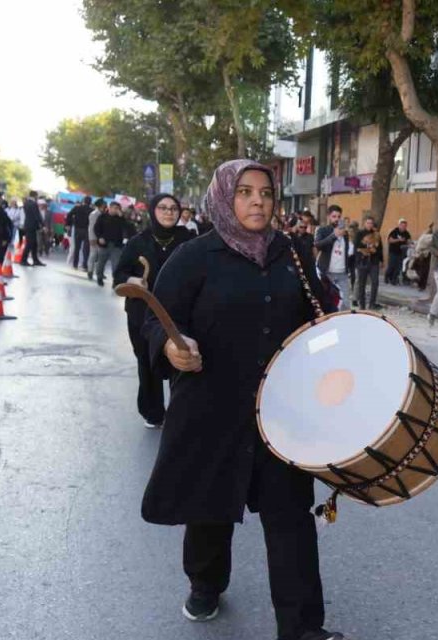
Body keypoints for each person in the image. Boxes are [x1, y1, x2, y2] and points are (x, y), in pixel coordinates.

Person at [141, 159, 343, 640]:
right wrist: (172, 346)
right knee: (210, 511)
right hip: (212, 410)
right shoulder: (194, 256)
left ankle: (302, 629)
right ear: (224, 199)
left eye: (266, 193)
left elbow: (319, 319)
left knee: (291, 519)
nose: (258, 201)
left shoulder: (292, 253)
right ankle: (205, 583)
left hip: (282, 413)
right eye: (245, 192)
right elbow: (157, 320)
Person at [113, 194, 194, 429]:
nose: (168, 212)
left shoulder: (188, 241)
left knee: (181, 361)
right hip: (142, 314)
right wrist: (133, 280)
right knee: (147, 362)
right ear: (153, 211)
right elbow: (118, 275)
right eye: (162, 208)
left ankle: (181, 413)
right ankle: (153, 411)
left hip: (179, 314)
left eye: (173, 208)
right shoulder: (138, 242)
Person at [314, 205, 354, 311]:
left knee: (345, 303)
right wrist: (333, 236)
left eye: (339, 216)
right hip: (327, 273)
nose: (336, 219)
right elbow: (318, 245)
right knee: (329, 302)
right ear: (329, 217)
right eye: (334, 216)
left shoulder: (345, 234)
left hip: (342, 273)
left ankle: (343, 325)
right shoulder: (323, 230)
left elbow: (346, 252)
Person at [92, 202, 129, 287]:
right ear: (110, 208)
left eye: (118, 209)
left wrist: (122, 217)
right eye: (115, 208)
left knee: (116, 264)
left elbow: (127, 227)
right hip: (104, 244)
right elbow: (96, 228)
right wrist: (99, 237)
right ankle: (99, 277)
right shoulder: (102, 217)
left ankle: (115, 281)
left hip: (116, 245)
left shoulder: (120, 219)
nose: (116, 210)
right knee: (101, 262)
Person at [353, 217, 384, 311]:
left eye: (371, 223)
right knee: (362, 284)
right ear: (364, 223)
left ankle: (372, 304)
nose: (369, 224)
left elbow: (380, 248)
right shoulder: (359, 234)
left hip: (374, 262)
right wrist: (368, 248)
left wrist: (381, 260)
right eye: (368, 223)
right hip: (362, 261)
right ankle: (362, 305)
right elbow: (357, 246)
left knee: (375, 282)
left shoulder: (376, 235)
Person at [67, 197, 94, 270]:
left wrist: (68, 224)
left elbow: (69, 215)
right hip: (87, 230)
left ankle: (75, 264)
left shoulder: (77, 208)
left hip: (78, 229)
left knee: (77, 247)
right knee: (86, 248)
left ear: (83, 201)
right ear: (90, 202)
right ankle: (85, 265)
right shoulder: (92, 210)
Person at [385, 218, 412, 286]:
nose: (403, 227)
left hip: (401, 252)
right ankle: (387, 277)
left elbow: (408, 240)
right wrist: (398, 240)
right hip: (393, 251)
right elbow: (390, 240)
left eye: (405, 226)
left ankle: (394, 280)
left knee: (398, 267)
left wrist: (410, 244)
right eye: (402, 225)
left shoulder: (406, 233)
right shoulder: (394, 231)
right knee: (391, 266)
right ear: (399, 225)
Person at [21, 191, 45, 266]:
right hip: (32, 226)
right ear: (35, 196)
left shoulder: (26, 203)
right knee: (29, 243)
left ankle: (35, 260)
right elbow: (37, 215)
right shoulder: (34, 204)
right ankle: (23, 260)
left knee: (34, 244)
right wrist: (42, 225)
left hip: (28, 225)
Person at [87, 199, 107, 280]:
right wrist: (92, 238)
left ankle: (99, 272)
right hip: (95, 238)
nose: (105, 206)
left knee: (101, 256)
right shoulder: (94, 214)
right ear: (100, 205)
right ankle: (90, 271)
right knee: (93, 255)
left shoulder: (103, 214)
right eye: (104, 204)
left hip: (101, 238)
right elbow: (91, 228)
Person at [412, 223, 435, 291]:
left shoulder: (427, 235)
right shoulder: (428, 236)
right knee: (424, 271)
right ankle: (421, 285)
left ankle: (421, 285)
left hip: (424, 255)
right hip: (424, 255)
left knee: (424, 271)